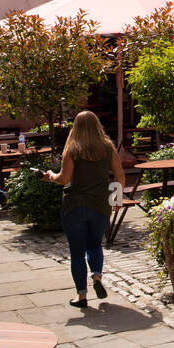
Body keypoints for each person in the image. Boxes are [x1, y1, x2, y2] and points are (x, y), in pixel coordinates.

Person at [43, 110, 126, 308]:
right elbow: (120, 175)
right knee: (95, 244)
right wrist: (117, 198)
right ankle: (96, 275)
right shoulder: (107, 147)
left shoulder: (72, 149)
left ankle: (81, 296)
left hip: (75, 205)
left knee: (77, 252)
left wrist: (50, 176)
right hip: (100, 204)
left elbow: (64, 179)